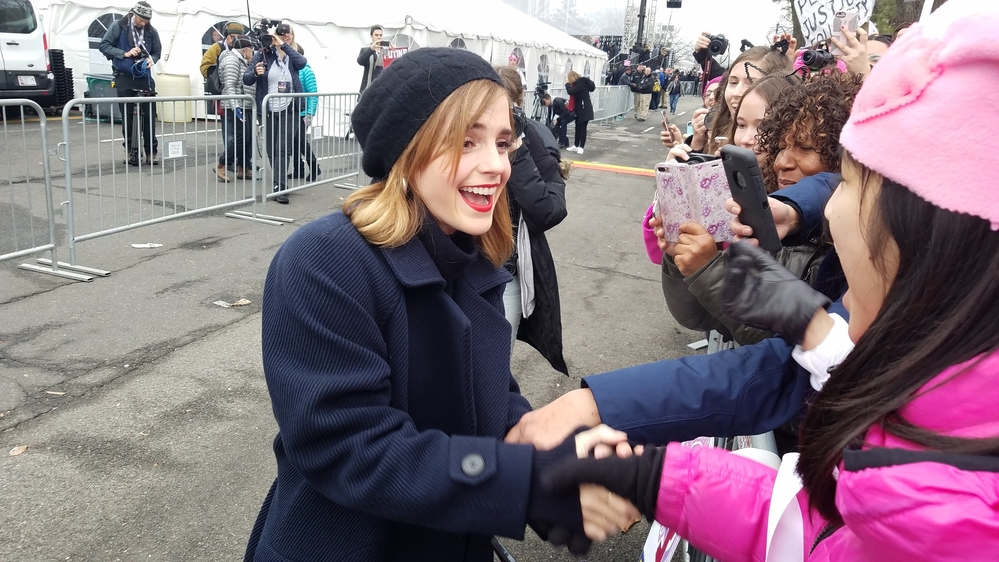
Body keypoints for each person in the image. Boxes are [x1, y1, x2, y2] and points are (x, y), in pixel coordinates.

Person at [541, 4, 999, 559]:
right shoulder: (943, 380)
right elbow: (809, 527)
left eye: (847, 186)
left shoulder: (954, 515)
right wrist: (647, 473)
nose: (829, 210)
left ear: (923, 229)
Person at [242, 47, 638, 562]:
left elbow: (486, 392)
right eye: (466, 142)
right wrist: (528, 484)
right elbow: (350, 447)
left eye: (502, 143)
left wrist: (551, 446)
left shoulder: (471, 253)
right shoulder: (323, 260)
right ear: (410, 148)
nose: (496, 166)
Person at [496, 66, 569, 374]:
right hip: (462, 266)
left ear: (518, 102)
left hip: (507, 268)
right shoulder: (466, 136)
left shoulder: (536, 139)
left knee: (495, 362)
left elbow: (548, 211)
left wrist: (517, 152)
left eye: (504, 107)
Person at [243, 25, 307, 204]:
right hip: (269, 109)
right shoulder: (263, 54)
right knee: (271, 149)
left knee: (283, 148)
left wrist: (283, 45)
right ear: (272, 36)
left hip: (290, 108)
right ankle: (280, 181)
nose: (285, 36)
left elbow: (302, 63)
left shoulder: (292, 54)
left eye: (288, 34)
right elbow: (246, 78)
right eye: (280, 34)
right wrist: (256, 72)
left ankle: (280, 187)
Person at [98, 1, 162, 167]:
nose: (143, 23)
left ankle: (151, 151)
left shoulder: (151, 31)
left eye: (146, 21)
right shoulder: (118, 26)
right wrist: (124, 53)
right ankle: (130, 150)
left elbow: (157, 52)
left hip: (144, 77)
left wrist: (151, 59)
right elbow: (104, 45)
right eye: (141, 20)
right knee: (127, 115)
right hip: (124, 76)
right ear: (134, 14)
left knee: (149, 115)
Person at [282, 25, 321, 182]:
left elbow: (313, 94)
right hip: (294, 110)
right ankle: (298, 168)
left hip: (302, 113)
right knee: (294, 143)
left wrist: (310, 114)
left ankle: (314, 166)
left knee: (300, 142)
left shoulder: (306, 71)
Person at [218, 34, 255, 181]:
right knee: (240, 139)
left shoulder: (240, 60)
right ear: (245, 49)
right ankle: (222, 165)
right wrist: (236, 107)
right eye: (251, 49)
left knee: (247, 138)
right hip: (236, 105)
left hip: (244, 103)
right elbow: (230, 85)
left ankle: (243, 168)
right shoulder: (232, 60)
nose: (252, 52)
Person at [564, 70, 595, 155]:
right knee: (577, 127)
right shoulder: (577, 84)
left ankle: (581, 146)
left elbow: (570, 91)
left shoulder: (581, 83)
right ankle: (576, 145)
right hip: (579, 108)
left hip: (585, 109)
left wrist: (567, 85)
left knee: (582, 128)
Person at [357, 25, 387, 94]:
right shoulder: (365, 50)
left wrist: (394, 50)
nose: (379, 37)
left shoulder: (386, 51)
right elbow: (360, 61)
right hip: (368, 87)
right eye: (376, 35)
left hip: (383, 88)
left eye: (380, 35)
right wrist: (371, 49)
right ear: (371, 36)